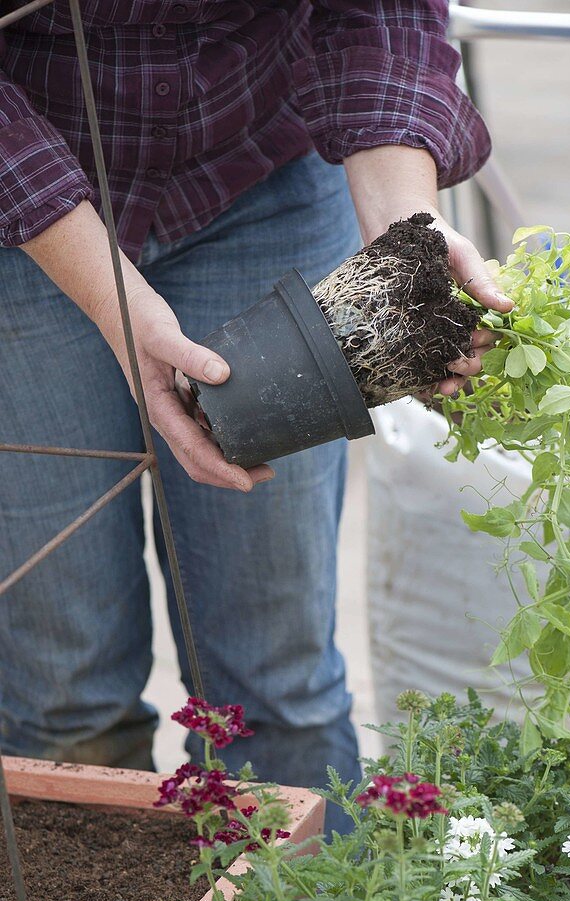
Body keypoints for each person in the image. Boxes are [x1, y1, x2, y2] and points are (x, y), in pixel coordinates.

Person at [0, 1, 511, 828]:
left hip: (253, 179)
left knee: (280, 681)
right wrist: (109, 294)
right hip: (21, 219)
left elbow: (379, 11)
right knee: (64, 693)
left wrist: (406, 241)